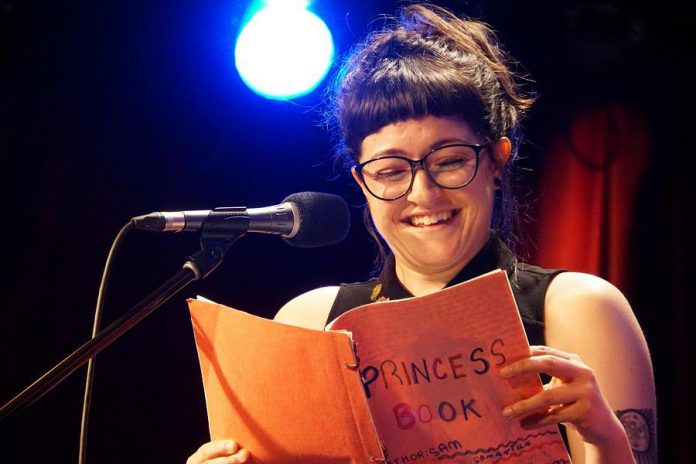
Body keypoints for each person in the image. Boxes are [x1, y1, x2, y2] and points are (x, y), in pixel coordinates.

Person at [187, 4, 655, 464]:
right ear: (362, 184)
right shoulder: (309, 322)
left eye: (449, 161)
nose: (423, 192)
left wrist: (603, 433)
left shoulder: (579, 308)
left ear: (496, 159)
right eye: (391, 171)